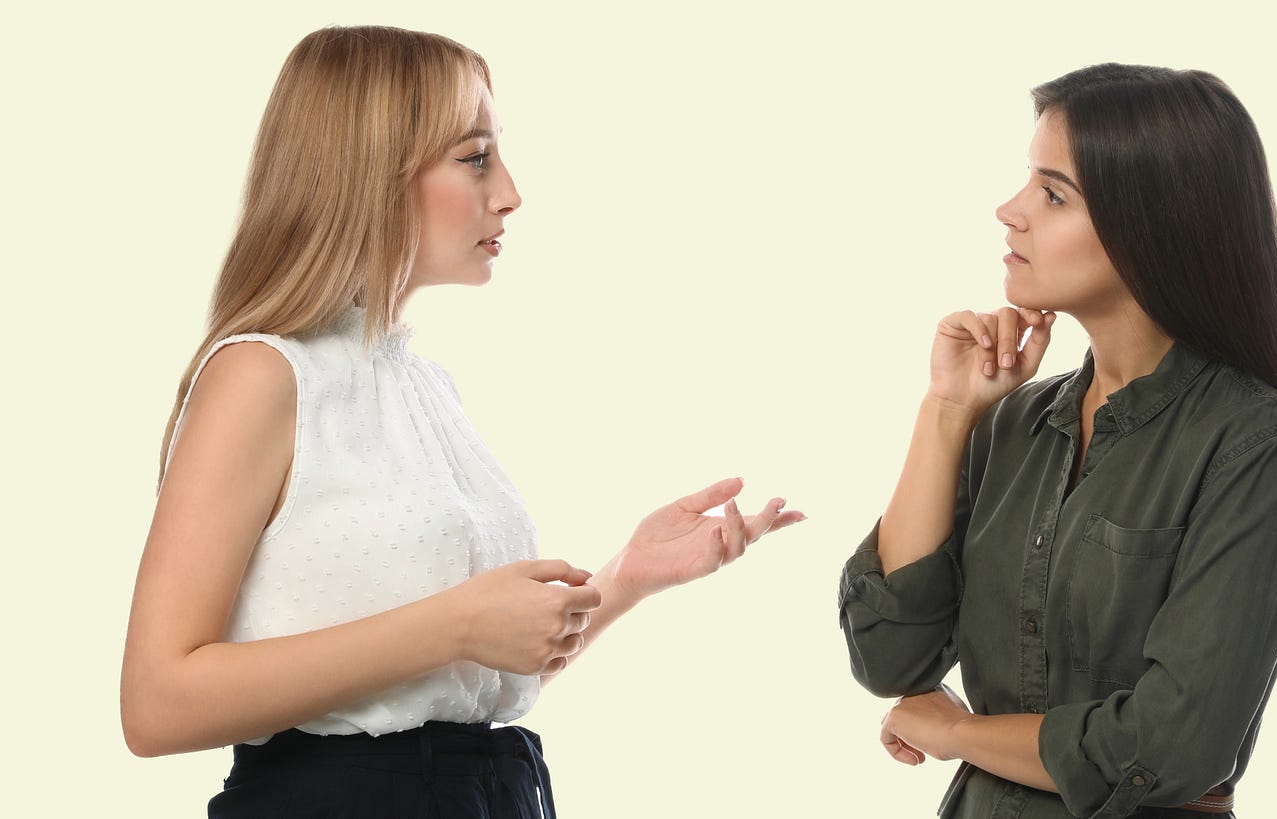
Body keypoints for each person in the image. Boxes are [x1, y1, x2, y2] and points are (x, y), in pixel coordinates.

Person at [120, 25, 802, 818]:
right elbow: (155, 701)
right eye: (475, 157)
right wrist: (451, 625)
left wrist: (626, 577)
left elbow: (461, 682)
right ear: (369, 174)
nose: (510, 191)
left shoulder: (422, 384)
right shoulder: (262, 375)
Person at [838, 63, 1277, 819]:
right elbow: (890, 655)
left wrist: (961, 731)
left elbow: (1172, 744)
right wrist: (947, 411)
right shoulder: (1014, 423)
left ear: (1151, 223)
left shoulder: (1251, 444)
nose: (1009, 210)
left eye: (1052, 194)